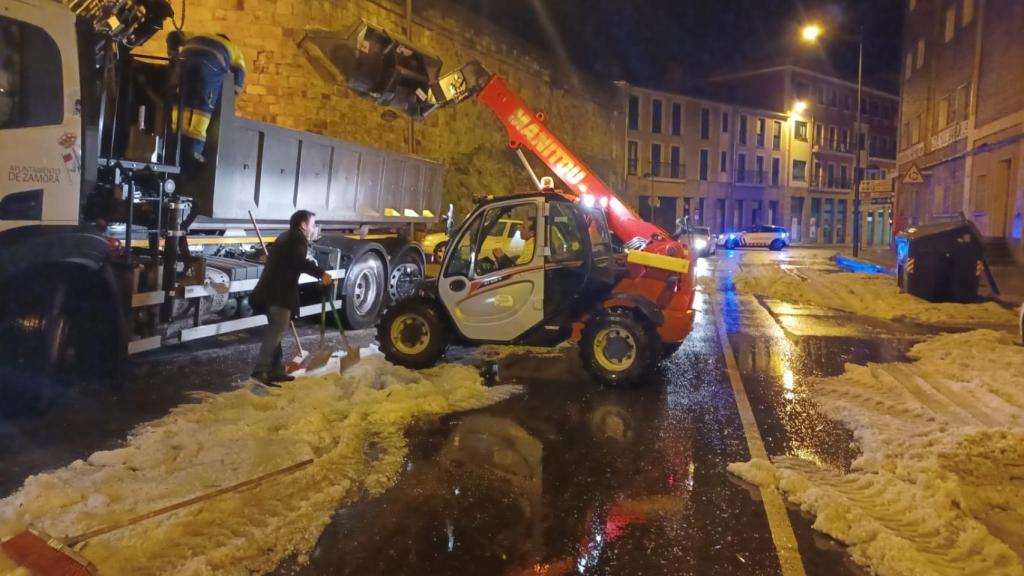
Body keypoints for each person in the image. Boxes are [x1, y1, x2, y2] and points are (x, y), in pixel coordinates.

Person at [250, 210, 332, 385]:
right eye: (312, 224)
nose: (313, 228)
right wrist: (322, 274)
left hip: (268, 292)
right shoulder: (297, 239)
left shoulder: (286, 236)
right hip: (278, 294)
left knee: (276, 332)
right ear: (303, 225)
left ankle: (276, 370)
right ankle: (260, 370)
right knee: (275, 332)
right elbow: (299, 262)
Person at [167, 31, 247, 162]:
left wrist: (173, 53)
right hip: (211, 62)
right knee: (204, 106)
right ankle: (194, 149)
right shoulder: (234, 48)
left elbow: (174, 35)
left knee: (182, 100)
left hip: (186, 58)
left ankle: (176, 143)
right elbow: (240, 71)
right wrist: (233, 91)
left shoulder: (198, 35)